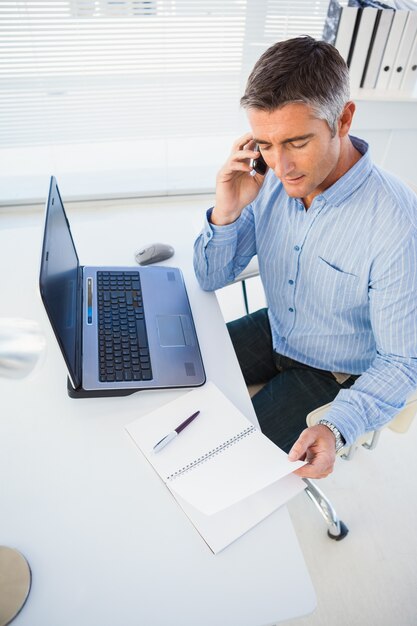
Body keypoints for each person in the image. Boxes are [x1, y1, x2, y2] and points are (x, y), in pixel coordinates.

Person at [193, 36, 417, 480]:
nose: (281, 166)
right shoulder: (268, 180)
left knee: (224, 466)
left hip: (332, 370)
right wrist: (227, 211)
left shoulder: (396, 223)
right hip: (276, 326)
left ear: (344, 118)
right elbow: (210, 275)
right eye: (265, 144)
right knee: (174, 381)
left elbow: (403, 361)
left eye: (297, 142)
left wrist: (336, 426)